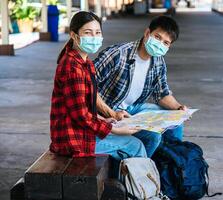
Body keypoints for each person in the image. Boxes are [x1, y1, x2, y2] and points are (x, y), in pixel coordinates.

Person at [49, 11, 147, 160]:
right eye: (88, 33)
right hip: (73, 139)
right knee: (135, 145)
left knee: (133, 142)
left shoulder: (85, 62)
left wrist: (104, 119)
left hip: (80, 131)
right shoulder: (72, 68)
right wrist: (113, 129)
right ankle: (141, 183)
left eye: (97, 32)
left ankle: (122, 181)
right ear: (74, 35)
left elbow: (86, 106)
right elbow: (80, 115)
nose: (94, 38)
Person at [94, 15, 188, 157]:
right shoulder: (118, 54)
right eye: (157, 37)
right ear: (147, 33)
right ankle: (135, 168)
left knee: (175, 119)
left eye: (166, 42)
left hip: (130, 108)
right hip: (107, 109)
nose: (160, 44)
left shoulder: (158, 62)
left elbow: (161, 94)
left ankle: (174, 161)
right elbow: (86, 85)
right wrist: (110, 114)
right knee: (153, 137)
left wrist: (179, 108)